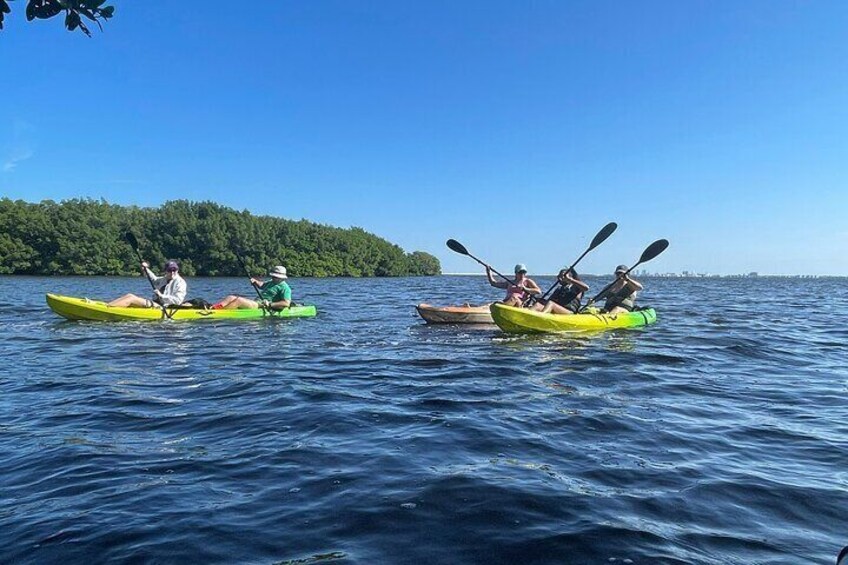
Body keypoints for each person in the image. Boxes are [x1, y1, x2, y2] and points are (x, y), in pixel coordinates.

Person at [108, 260, 187, 308]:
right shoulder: (164, 279)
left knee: (131, 299)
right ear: (166, 271)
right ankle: (108, 305)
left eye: (174, 269)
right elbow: (154, 280)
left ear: (177, 270)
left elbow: (177, 300)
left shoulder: (180, 283)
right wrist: (145, 269)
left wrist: (161, 295)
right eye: (170, 270)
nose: (172, 272)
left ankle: (109, 309)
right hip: (157, 303)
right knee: (130, 295)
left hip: (165, 307)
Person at [216, 265, 292, 310]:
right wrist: (255, 281)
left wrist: (270, 304)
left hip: (261, 306)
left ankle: (219, 313)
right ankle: (214, 308)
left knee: (238, 301)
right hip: (256, 302)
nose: (273, 277)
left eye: (275, 277)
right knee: (230, 297)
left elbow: (286, 303)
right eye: (273, 276)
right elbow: (262, 285)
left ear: (282, 278)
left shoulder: (285, 288)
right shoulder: (271, 282)